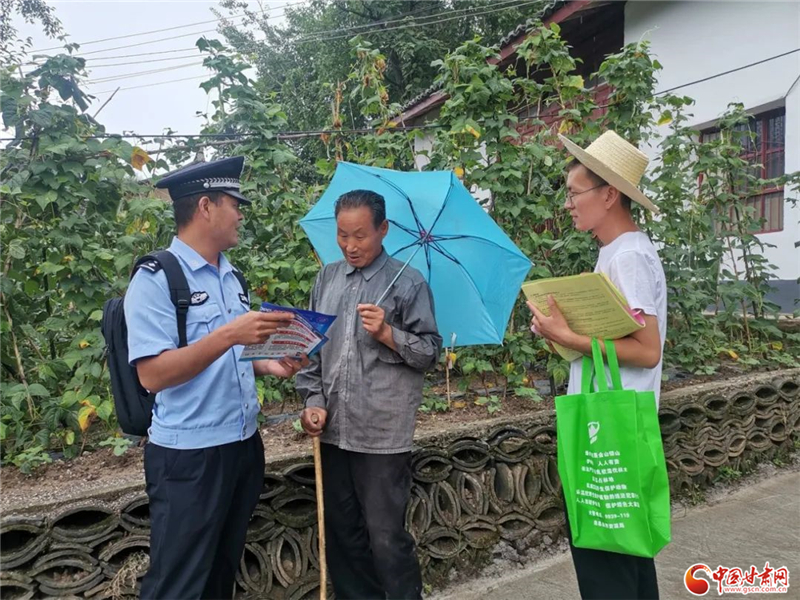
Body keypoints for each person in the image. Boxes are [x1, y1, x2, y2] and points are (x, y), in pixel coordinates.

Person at [124, 156, 308, 600]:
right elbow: (152, 374)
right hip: (189, 456)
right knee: (178, 583)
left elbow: (234, 354)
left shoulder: (231, 275)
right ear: (206, 207)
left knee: (221, 572)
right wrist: (229, 334)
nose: (241, 215)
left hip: (242, 445)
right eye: (235, 204)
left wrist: (271, 364)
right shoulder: (157, 279)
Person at [527, 131, 667, 600]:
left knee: (606, 560)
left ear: (609, 195)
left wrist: (569, 336)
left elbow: (647, 350)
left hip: (612, 428)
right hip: (611, 423)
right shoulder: (615, 252)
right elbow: (608, 341)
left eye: (575, 193)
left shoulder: (627, 256)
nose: (568, 204)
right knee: (626, 554)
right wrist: (559, 332)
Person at [296, 189, 443, 600]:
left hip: (381, 433)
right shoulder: (327, 278)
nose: (350, 246)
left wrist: (388, 333)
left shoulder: (408, 283)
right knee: (343, 533)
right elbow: (310, 350)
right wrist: (313, 402)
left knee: (385, 536)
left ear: (383, 229)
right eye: (342, 235)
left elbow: (430, 352)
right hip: (333, 430)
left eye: (360, 235)